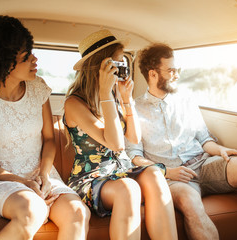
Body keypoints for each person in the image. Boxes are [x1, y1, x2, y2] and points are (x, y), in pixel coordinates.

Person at [0, 15, 90, 240]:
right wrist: (24, 183)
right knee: (32, 211)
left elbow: (49, 139)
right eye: (27, 56)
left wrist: (44, 176)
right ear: (2, 61)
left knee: (78, 213)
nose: (35, 59)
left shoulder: (38, 89)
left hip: (41, 175)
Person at [125, 43, 237, 240]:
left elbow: (203, 139)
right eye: (171, 70)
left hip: (203, 163)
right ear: (153, 75)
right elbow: (134, 156)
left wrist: (220, 149)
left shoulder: (186, 99)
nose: (177, 74)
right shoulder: (135, 110)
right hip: (172, 177)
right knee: (189, 201)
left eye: (178, 69)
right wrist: (166, 171)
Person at [64, 30, 178, 240]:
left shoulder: (114, 95)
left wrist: (126, 100)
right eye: (115, 63)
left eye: (121, 63)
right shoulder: (74, 103)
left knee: (153, 173)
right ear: (100, 66)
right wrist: (107, 95)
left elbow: (133, 138)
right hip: (91, 178)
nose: (120, 69)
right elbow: (116, 144)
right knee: (129, 189)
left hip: (121, 170)